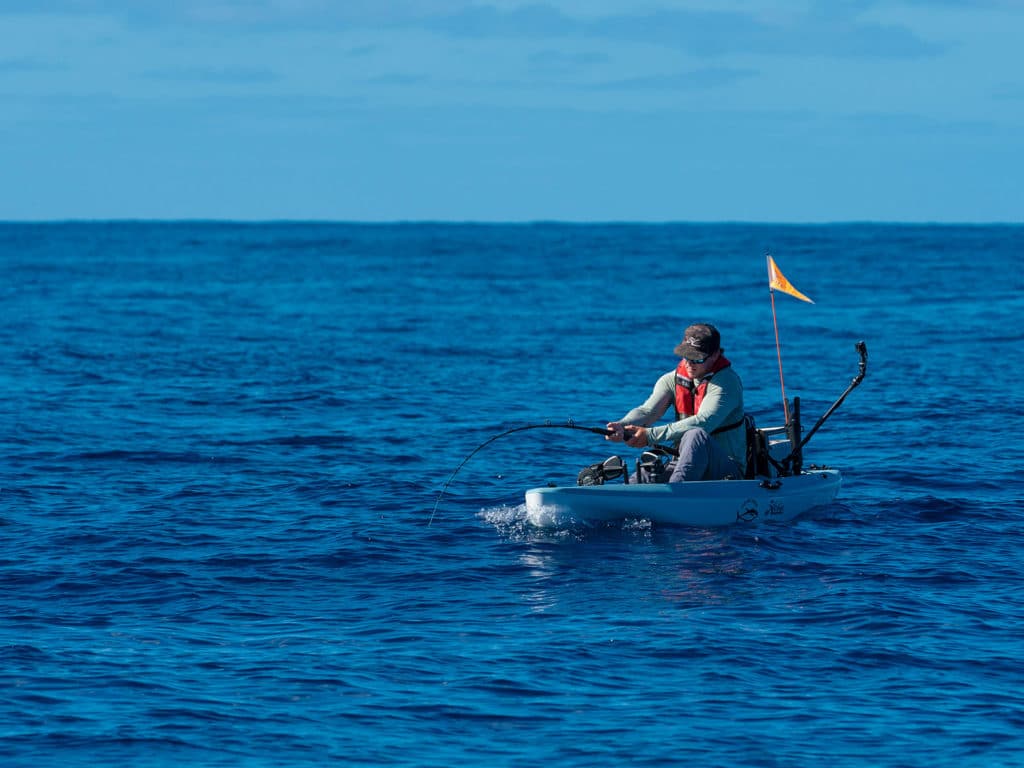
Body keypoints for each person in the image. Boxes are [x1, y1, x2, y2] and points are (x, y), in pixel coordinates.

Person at [606, 323, 746, 481]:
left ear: (715, 355)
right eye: (686, 356)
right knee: (644, 476)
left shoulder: (727, 383)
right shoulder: (671, 380)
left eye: (697, 359)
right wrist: (622, 425)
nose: (689, 363)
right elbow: (647, 412)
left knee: (695, 435)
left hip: (726, 471)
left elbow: (704, 422)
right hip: (685, 463)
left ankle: (676, 493)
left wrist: (650, 435)